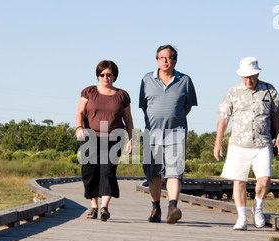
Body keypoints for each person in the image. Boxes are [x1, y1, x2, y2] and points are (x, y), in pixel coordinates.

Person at [214, 57, 279, 230]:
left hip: (263, 142)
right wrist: (218, 143)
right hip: (238, 144)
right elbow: (224, 119)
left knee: (265, 178)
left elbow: (276, 116)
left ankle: (258, 207)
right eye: (245, 77)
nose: (248, 80)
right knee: (239, 181)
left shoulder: (269, 90)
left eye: (251, 76)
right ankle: (242, 217)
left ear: (258, 73)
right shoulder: (233, 92)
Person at [139, 45, 198, 224]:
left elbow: (187, 108)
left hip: (176, 133)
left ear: (175, 60)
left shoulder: (185, 81)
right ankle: (155, 208)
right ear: (157, 60)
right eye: (161, 57)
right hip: (152, 132)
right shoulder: (147, 80)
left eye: (168, 57)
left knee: (174, 172)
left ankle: (172, 207)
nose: (164, 60)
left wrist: (174, 119)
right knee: (154, 174)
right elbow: (144, 106)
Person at [75, 60, 134, 221]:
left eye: (109, 74)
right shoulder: (89, 92)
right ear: (98, 76)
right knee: (89, 172)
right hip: (90, 137)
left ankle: (104, 207)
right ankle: (94, 206)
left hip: (114, 138)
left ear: (114, 76)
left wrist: (131, 139)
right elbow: (80, 112)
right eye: (102, 75)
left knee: (107, 172)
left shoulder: (122, 95)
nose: (105, 77)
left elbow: (128, 119)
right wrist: (79, 127)